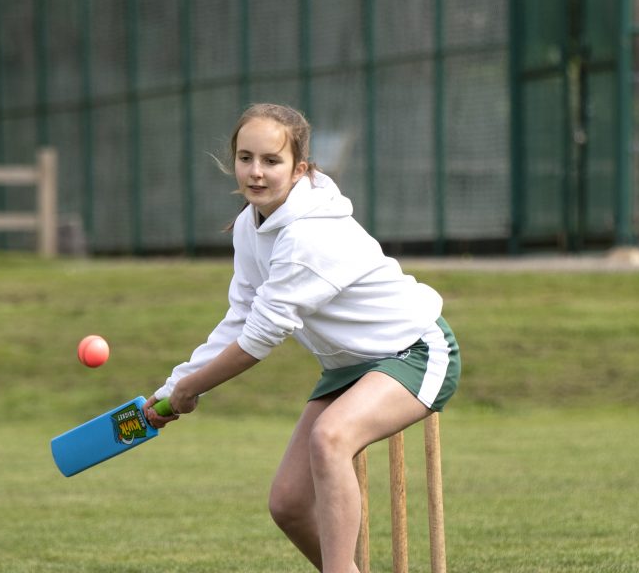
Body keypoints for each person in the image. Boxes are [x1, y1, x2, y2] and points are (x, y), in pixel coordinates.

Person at [141, 103, 461, 573]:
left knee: (331, 438)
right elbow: (240, 318)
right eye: (245, 158)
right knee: (289, 504)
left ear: (300, 168)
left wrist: (192, 389)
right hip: (350, 368)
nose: (256, 172)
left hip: (414, 350)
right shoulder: (251, 228)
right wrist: (175, 386)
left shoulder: (309, 235)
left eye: (271, 161)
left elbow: (258, 341)